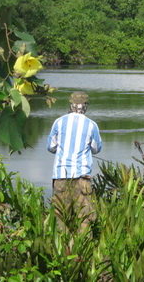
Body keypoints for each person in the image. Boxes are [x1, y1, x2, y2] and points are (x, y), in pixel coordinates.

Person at [47, 91, 102, 232]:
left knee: (60, 217)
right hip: (82, 178)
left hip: (60, 176)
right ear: (85, 106)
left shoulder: (59, 122)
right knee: (84, 218)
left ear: (71, 104)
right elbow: (96, 149)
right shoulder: (92, 125)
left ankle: (62, 250)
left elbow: (51, 147)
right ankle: (83, 250)